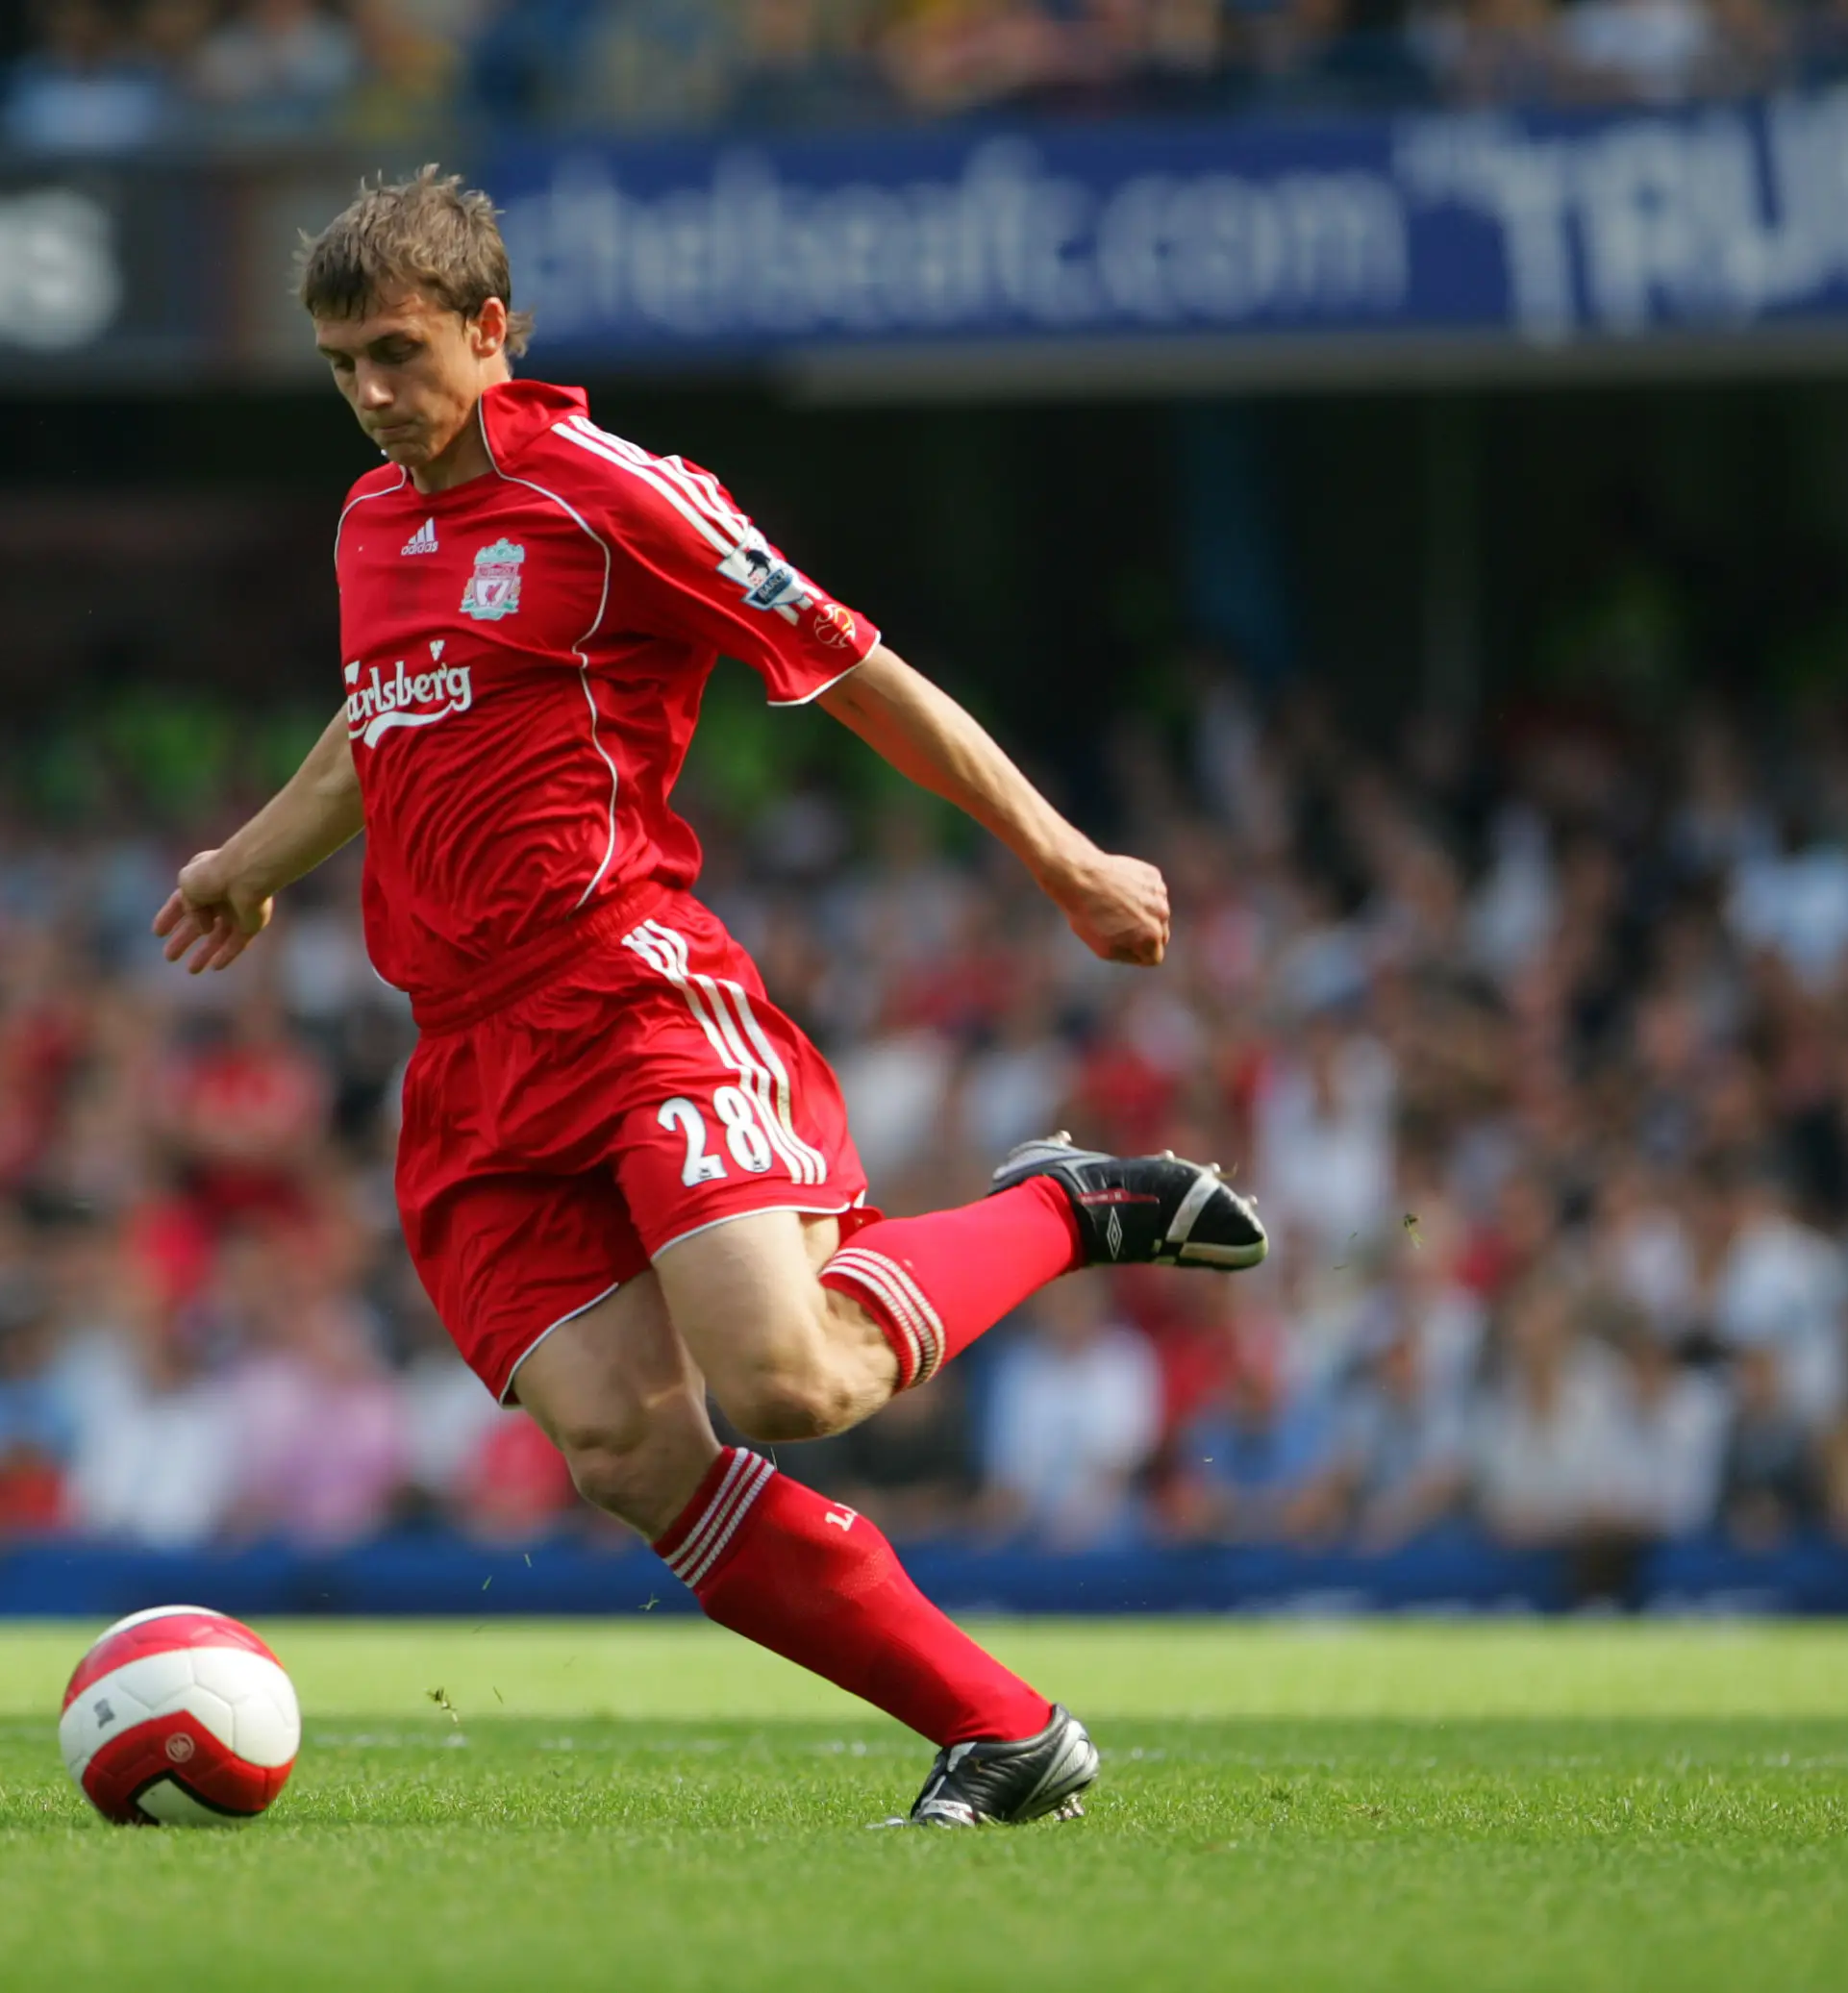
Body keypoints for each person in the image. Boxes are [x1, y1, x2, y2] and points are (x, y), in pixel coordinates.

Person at [153, 168, 1269, 1830]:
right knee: (620, 1448)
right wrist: (252, 856)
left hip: (626, 996)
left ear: (490, 328)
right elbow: (383, 718)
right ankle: (1005, 1734)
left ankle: (1064, 1205)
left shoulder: (614, 495)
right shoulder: (371, 525)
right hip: (466, 1057)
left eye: (397, 353)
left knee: (788, 1385)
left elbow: (857, 665)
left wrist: (1062, 855)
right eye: (339, 366)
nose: (371, 397)